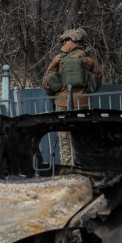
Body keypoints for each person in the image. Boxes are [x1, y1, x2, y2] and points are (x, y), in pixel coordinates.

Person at [42, 28, 103, 165]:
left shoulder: (59, 58)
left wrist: (54, 96)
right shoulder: (88, 59)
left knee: (65, 138)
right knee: (82, 135)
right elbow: (98, 78)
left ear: (68, 40)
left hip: (62, 103)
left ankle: (68, 166)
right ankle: (83, 166)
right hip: (83, 103)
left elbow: (47, 81)